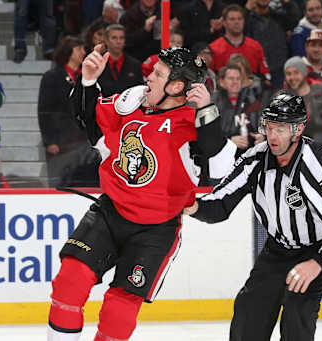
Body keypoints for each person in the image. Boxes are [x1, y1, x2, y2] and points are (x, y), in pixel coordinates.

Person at [47, 46, 236, 341]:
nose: (148, 76)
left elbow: (222, 164)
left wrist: (207, 112)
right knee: (69, 283)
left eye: (158, 74)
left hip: (157, 229)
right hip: (110, 212)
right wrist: (87, 81)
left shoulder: (192, 123)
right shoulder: (131, 102)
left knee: (118, 314)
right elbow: (89, 121)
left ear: (176, 86)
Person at [184, 90, 322, 341]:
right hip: (279, 249)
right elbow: (221, 203)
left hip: (319, 249)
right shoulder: (256, 159)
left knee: (296, 312)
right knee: (249, 313)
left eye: (281, 129)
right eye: (269, 127)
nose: (272, 136)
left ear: (299, 129)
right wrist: (191, 206)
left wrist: (318, 263)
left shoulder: (315, 163)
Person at [37, 36, 98, 187]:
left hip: (83, 141)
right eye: (79, 49)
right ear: (68, 52)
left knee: (85, 181)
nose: (83, 52)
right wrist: (49, 141)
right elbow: (44, 110)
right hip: (61, 141)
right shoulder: (52, 77)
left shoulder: (86, 77)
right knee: (60, 180)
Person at [283, 56, 322, 159]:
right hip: (295, 154)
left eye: (296, 72)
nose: (292, 77)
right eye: (288, 74)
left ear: (304, 73)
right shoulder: (284, 98)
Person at [209, 4, 272, 85]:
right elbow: (210, 79)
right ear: (224, 23)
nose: (236, 22)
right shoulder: (214, 48)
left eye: (240, 19)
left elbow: (266, 77)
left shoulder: (255, 46)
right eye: (232, 19)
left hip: (252, 92)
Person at [244, 0, 301, 88]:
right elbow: (238, 29)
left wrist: (286, 2)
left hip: (280, 71)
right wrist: (247, 9)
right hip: (257, 73)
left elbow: (295, 20)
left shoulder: (279, 17)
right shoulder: (247, 19)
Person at [213, 64, 264, 158]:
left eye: (238, 79)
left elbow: (262, 125)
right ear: (221, 82)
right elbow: (208, 136)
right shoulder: (213, 103)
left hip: (249, 155)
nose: (235, 82)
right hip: (223, 157)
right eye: (231, 78)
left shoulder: (251, 99)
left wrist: (262, 137)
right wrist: (229, 141)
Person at [97, 24, 144, 97]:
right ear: (106, 40)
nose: (118, 41)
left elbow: (139, 92)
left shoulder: (135, 65)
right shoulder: (97, 63)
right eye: (114, 38)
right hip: (101, 107)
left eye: (121, 38)